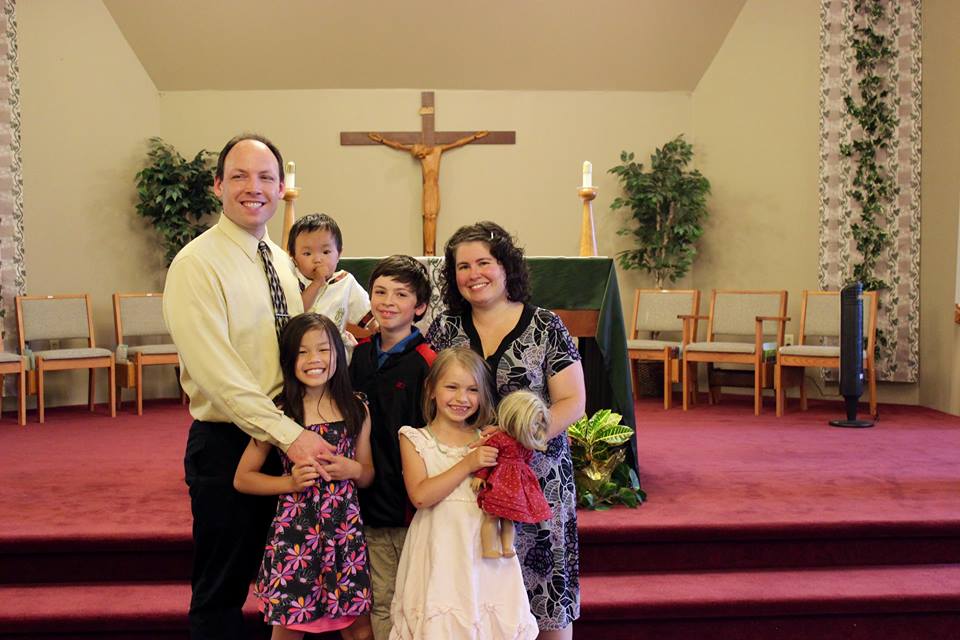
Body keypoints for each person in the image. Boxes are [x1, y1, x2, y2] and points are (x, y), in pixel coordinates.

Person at [163, 133, 334, 640]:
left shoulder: (278, 260)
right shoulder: (197, 264)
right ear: (218, 185)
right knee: (222, 592)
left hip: (285, 439)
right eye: (238, 175)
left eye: (265, 177)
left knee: (286, 586)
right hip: (231, 442)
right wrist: (287, 433)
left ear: (281, 189)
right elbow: (218, 373)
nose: (252, 187)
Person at [426, 221, 586, 639]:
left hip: (539, 476)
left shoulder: (546, 326)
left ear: (506, 266)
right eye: (463, 266)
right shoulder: (446, 328)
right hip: (470, 477)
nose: (473, 274)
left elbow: (573, 401)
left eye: (484, 262)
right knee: (481, 599)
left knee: (545, 596)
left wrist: (520, 435)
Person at [235, 313, 374, 640]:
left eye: (323, 350)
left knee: (360, 630)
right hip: (296, 535)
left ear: (338, 353)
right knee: (289, 626)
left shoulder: (357, 407)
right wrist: (290, 482)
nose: (314, 359)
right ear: (288, 359)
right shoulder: (279, 413)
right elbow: (243, 478)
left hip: (344, 535)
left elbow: (367, 474)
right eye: (302, 352)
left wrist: (352, 469)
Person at [390, 347, 538, 640]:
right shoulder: (415, 438)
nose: (462, 398)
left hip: (483, 550)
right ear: (431, 390)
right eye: (452, 387)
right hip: (440, 547)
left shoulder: (488, 438)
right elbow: (420, 496)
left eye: (472, 389)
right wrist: (468, 463)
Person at [348, 255, 435, 640]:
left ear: (419, 307)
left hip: (408, 505)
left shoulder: (428, 363)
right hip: (363, 499)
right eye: (380, 291)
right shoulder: (359, 355)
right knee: (379, 598)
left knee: (415, 598)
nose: (387, 301)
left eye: (400, 294)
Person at [367, 131, 488, 256]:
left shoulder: (437, 150)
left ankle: (430, 249)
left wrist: (474, 137)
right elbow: (398, 146)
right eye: (417, 156)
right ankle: (429, 249)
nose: (420, 156)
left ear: (422, 148)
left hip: (434, 188)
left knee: (432, 216)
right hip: (427, 189)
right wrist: (381, 140)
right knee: (428, 217)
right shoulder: (422, 157)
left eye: (420, 153)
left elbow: (457, 144)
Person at [471, 390, 552, 559]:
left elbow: (527, 461)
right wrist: (481, 475)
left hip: (517, 486)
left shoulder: (526, 444)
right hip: (499, 483)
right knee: (491, 516)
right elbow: (488, 457)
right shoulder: (499, 438)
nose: (535, 427)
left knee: (509, 518)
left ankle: (507, 547)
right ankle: (488, 548)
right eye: (533, 423)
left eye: (538, 424)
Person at [286, 213, 376, 356]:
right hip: (302, 351)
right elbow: (295, 311)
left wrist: (375, 327)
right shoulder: (291, 280)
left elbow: (366, 312)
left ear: (339, 253)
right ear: (293, 257)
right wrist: (316, 283)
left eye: (326, 251)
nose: (317, 259)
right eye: (307, 253)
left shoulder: (345, 281)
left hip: (337, 350)